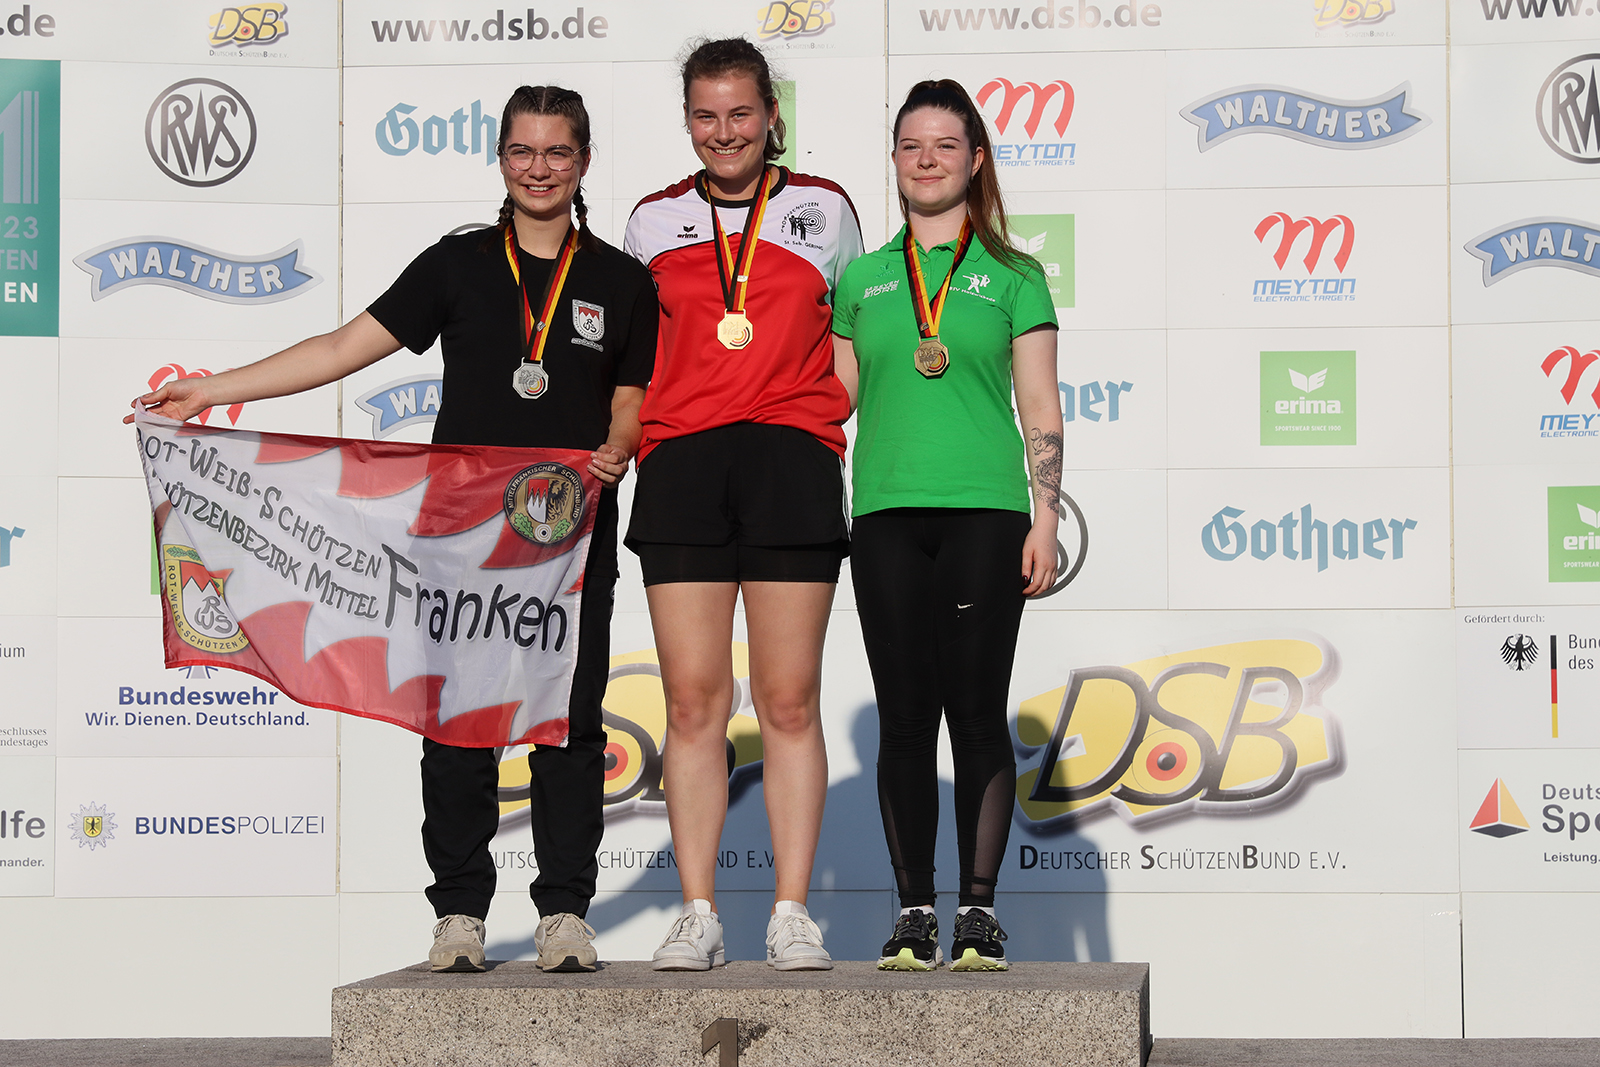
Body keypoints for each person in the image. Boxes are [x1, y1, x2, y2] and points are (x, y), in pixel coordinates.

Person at [127, 86, 658, 976]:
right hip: (457, 535)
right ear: (501, 158)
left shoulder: (621, 279)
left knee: (567, 725)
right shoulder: (456, 264)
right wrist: (211, 389)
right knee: (455, 724)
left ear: (584, 162)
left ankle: (565, 911)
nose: (538, 169)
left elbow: (631, 399)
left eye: (556, 152)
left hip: (567, 535)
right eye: (522, 151)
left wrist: (620, 442)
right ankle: (459, 913)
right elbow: (341, 349)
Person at [621, 37, 863, 971]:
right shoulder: (652, 220)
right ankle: (699, 912)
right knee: (693, 701)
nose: (723, 132)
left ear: (771, 116)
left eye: (740, 113)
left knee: (788, 699)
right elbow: (637, 356)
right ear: (688, 121)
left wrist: (820, 422)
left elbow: (849, 340)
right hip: (681, 461)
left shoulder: (825, 208)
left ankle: (792, 911)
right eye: (705, 115)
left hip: (789, 461)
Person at [831, 79, 1063, 972]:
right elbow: (833, 401)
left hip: (987, 513)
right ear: (895, 160)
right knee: (902, 719)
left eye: (944, 145)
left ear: (975, 159)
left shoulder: (1015, 276)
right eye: (911, 145)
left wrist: (1045, 515)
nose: (926, 160)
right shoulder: (861, 278)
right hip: (885, 514)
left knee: (974, 710)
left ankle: (978, 910)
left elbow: (1039, 404)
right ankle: (913, 912)